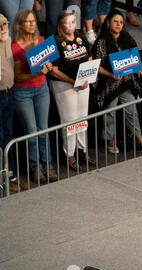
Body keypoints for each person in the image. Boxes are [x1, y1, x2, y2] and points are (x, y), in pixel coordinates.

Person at [91, 9, 142, 154]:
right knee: (110, 111)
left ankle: (139, 139)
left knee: (131, 109)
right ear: (108, 23)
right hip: (109, 83)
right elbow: (96, 66)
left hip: (126, 82)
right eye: (115, 22)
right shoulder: (101, 42)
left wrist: (138, 68)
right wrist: (110, 75)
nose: (118, 25)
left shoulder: (127, 38)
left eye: (121, 22)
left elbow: (134, 59)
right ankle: (110, 140)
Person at [11, 9, 57, 183]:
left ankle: (48, 165)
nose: (32, 24)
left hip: (42, 89)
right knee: (31, 132)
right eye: (28, 21)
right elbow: (17, 77)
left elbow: (47, 64)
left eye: (33, 21)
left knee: (43, 130)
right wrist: (37, 74)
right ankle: (35, 167)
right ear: (20, 24)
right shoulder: (15, 46)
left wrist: (49, 67)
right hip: (23, 92)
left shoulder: (41, 41)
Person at [48, 10, 96, 171]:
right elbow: (53, 70)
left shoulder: (81, 37)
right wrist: (73, 82)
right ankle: (70, 155)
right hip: (63, 85)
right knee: (69, 120)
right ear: (60, 25)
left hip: (82, 82)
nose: (71, 25)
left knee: (82, 118)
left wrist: (86, 76)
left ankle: (83, 151)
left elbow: (89, 58)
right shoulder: (55, 42)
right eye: (67, 23)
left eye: (73, 22)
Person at [0, 13, 29, 193]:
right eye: (0, 26)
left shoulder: (10, 42)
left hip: (10, 94)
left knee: (8, 135)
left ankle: (11, 175)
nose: (3, 28)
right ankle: (6, 176)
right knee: (2, 136)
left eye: (5, 25)